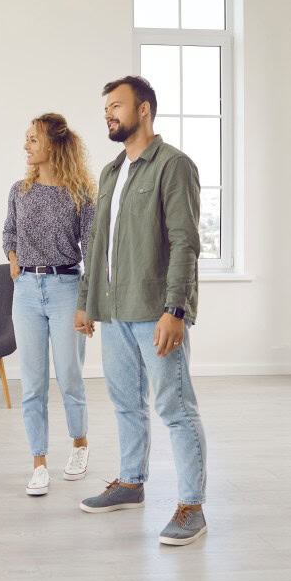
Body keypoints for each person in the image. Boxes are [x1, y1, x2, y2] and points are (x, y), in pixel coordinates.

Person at [75, 76, 209, 546]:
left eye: (117, 106)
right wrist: (86, 302)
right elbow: (98, 244)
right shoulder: (112, 172)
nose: (108, 115)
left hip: (155, 310)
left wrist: (175, 308)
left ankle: (192, 506)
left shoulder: (174, 166)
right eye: (106, 108)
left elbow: (185, 242)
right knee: (125, 403)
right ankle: (131, 483)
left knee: (175, 407)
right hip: (112, 311)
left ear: (145, 110)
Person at [2, 113, 95, 497]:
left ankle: (79, 446)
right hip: (25, 291)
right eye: (26, 139)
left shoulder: (82, 195)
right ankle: (38, 463)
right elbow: (8, 231)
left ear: (53, 145)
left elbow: (92, 251)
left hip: (66, 288)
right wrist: (13, 261)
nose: (26, 146)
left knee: (70, 377)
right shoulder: (19, 190)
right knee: (33, 384)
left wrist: (87, 305)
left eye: (33, 139)